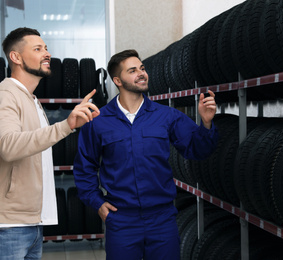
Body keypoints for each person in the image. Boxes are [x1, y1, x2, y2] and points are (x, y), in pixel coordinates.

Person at [73, 49, 219, 259]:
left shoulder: (166, 116)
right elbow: (84, 167)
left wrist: (205, 122)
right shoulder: (98, 120)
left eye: (142, 68)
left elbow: (198, 149)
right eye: (132, 70)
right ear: (118, 80)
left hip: (162, 219)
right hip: (121, 219)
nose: (141, 73)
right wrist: (97, 202)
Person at [0, 27, 100, 260]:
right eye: (37, 49)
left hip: (30, 223)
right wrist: (65, 126)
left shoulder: (31, 100)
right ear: (16, 57)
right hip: (6, 226)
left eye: (46, 48)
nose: (47, 53)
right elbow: (9, 146)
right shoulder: (4, 95)